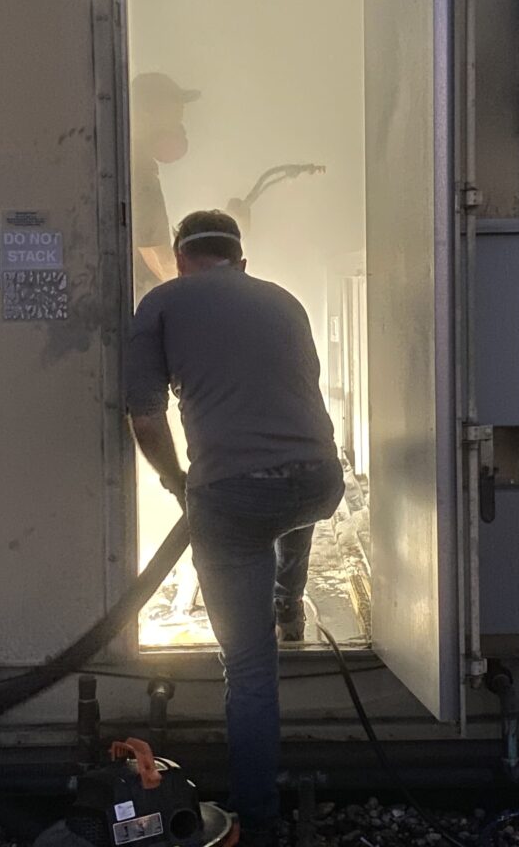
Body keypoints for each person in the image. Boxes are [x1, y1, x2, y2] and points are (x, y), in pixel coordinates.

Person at [126, 210, 344, 847]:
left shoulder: (160, 302)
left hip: (232, 497)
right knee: (288, 500)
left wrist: (177, 483)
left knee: (249, 669)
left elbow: (145, 419)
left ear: (179, 258)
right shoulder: (283, 300)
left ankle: (257, 813)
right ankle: (288, 597)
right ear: (241, 262)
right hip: (319, 480)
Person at [129, 72, 200, 298]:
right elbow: (159, 260)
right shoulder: (139, 174)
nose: (180, 126)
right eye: (175, 115)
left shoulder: (130, 164)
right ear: (146, 114)